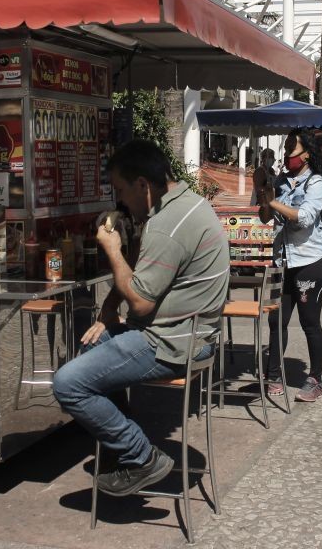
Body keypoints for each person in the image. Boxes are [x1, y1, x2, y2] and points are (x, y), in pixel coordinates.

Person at [54, 139, 229, 497]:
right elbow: (144, 275)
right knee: (94, 344)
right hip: (191, 334)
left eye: (121, 190)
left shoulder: (167, 225)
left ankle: (140, 456)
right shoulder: (184, 206)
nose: (119, 201)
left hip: (171, 342)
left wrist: (112, 249)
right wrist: (108, 310)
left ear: (143, 186)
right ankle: (124, 448)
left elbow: (140, 304)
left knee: (68, 384)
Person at [256, 128, 322, 402]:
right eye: (286, 150)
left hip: (310, 261)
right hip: (282, 261)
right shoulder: (280, 180)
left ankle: (315, 377)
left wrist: (273, 202)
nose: (287, 155)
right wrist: (263, 194)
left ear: (306, 155)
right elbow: (266, 218)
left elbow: (304, 218)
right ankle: (274, 373)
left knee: (309, 321)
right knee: (276, 320)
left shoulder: (316, 183)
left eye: (292, 150)